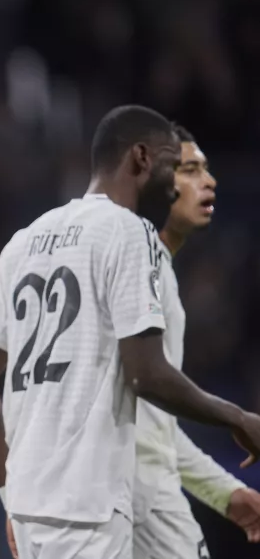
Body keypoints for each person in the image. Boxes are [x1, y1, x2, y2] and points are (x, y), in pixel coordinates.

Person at [0, 105, 260, 559]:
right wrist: (238, 418)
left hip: (36, 503)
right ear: (140, 158)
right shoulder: (128, 233)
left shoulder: (25, 241)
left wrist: (9, 495)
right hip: (89, 504)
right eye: (171, 162)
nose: (176, 176)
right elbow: (147, 377)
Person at [131, 125, 260, 558]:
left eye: (206, 169)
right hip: (113, 507)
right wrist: (236, 418)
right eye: (190, 170)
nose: (209, 182)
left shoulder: (160, 271)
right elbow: (146, 381)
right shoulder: (132, 269)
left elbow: (151, 429)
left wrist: (223, 491)